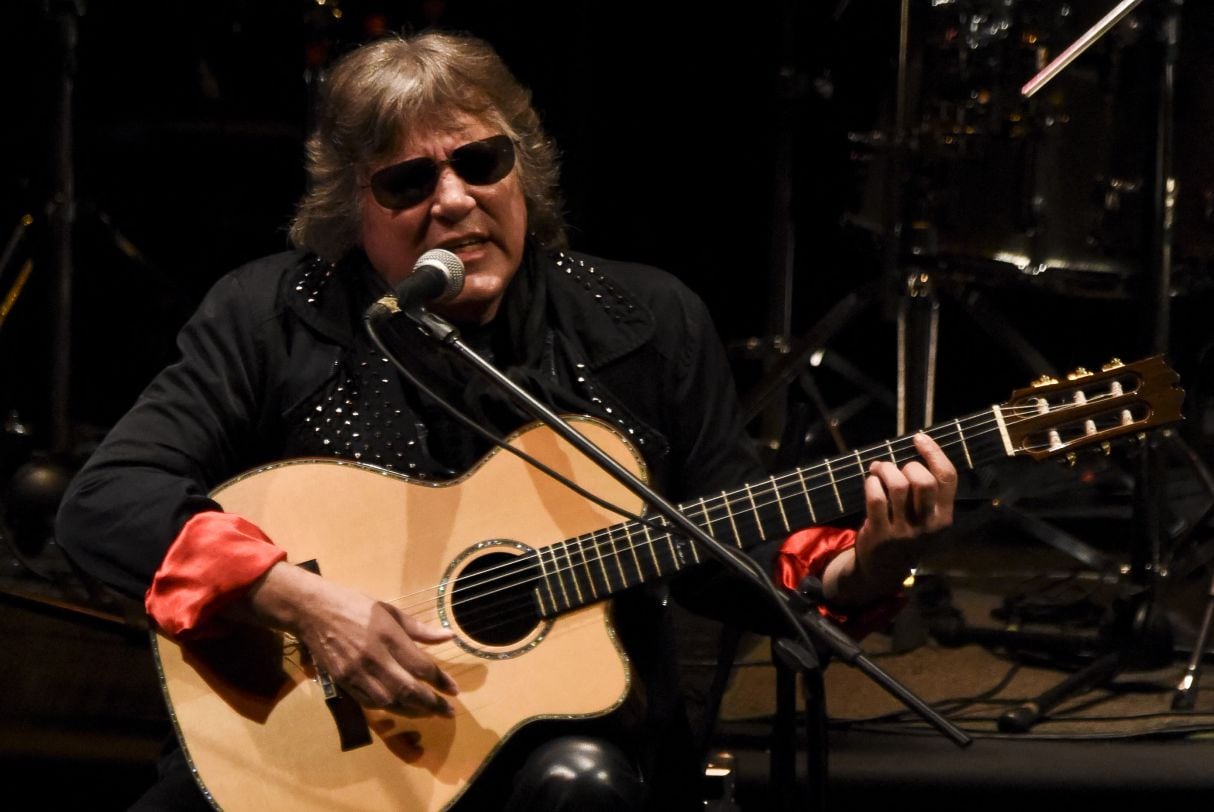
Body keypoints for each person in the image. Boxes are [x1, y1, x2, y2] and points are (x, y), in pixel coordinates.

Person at [55, 31, 957, 811]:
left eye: (482, 163)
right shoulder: (270, 315)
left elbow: (726, 544)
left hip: (567, 751)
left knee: (580, 786)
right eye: (408, 182)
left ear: (523, 169)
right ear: (350, 208)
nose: (454, 201)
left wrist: (867, 562)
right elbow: (108, 499)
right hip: (307, 763)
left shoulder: (643, 322)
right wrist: (300, 598)